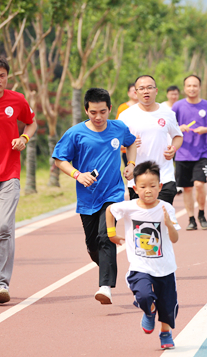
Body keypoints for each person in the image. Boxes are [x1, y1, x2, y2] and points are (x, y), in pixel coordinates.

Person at [53, 88, 137, 304]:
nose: (98, 117)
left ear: (109, 109)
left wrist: (131, 164)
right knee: (92, 246)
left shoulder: (119, 127)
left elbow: (131, 143)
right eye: (93, 112)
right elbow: (59, 159)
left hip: (113, 193)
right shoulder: (75, 133)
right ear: (86, 110)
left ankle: (105, 287)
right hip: (87, 199)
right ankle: (112, 271)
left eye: (102, 111)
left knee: (105, 235)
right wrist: (77, 175)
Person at [106, 161, 180, 350]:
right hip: (140, 266)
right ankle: (149, 311)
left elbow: (175, 238)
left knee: (167, 305)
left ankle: (165, 333)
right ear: (135, 188)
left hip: (165, 268)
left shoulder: (166, 208)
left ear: (160, 187)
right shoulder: (129, 207)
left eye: (153, 186)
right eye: (143, 187)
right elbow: (109, 210)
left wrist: (169, 224)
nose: (148, 191)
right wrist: (111, 233)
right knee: (146, 296)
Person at [0, 56, 37, 304]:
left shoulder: (16, 99)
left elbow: (31, 123)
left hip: (9, 173)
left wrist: (24, 138)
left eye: (1, 75)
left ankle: (2, 283)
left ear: (7, 77)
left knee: (4, 227)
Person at [118, 75, 183, 205]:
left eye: (149, 88)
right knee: (141, 222)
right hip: (137, 179)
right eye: (141, 88)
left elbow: (178, 136)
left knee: (162, 218)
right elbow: (115, 143)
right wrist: (127, 144)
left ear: (156, 90)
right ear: (135, 92)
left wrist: (173, 149)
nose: (146, 91)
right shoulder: (125, 116)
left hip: (164, 176)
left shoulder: (168, 113)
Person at [172, 75, 207, 230]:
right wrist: (179, 128)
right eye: (189, 85)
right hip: (182, 154)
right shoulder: (177, 106)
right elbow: (170, 127)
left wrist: (205, 129)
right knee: (187, 188)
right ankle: (191, 218)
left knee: (198, 184)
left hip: (201, 153)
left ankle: (201, 213)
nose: (192, 88)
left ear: (200, 87)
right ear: (184, 88)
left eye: (195, 85)